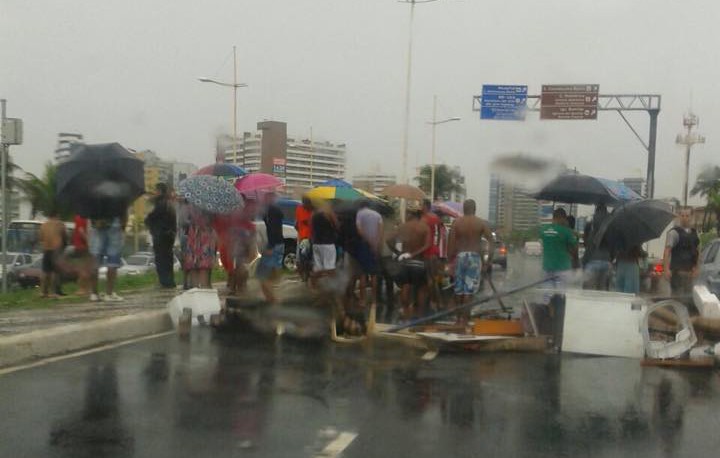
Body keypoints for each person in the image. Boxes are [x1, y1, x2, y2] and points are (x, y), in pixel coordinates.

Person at [447, 199, 493, 314]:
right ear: (475, 209)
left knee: (458, 290)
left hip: (460, 256)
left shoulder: (456, 223)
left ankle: (458, 319)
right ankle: (464, 319)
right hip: (474, 257)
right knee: (469, 290)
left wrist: (449, 263)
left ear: (463, 209)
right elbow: (491, 241)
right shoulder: (481, 223)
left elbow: (451, 245)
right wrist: (488, 261)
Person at [386, 208, 430, 316]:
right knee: (421, 288)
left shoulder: (402, 227)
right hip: (418, 262)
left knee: (405, 286)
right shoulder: (424, 227)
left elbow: (389, 240)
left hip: (404, 262)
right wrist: (414, 254)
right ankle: (419, 315)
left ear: (411, 215)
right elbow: (427, 245)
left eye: (407, 213)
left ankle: (406, 312)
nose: (405, 216)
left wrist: (398, 252)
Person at [663, 207, 700, 300]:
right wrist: (666, 269)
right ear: (679, 216)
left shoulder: (695, 233)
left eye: (687, 215)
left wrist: (696, 268)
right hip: (677, 273)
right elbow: (667, 251)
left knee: (688, 300)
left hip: (689, 274)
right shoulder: (674, 233)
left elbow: (698, 251)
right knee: (677, 299)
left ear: (691, 217)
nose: (684, 218)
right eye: (682, 215)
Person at [145, 183, 177, 288]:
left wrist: (148, 220)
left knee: (161, 259)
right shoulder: (169, 203)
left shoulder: (160, 204)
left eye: (156, 190)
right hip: (169, 235)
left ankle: (165, 281)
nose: (154, 192)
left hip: (161, 235)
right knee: (167, 258)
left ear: (160, 191)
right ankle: (169, 281)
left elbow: (151, 217)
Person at [89, 214, 127, 302]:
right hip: (115, 224)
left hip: (97, 224)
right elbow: (123, 209)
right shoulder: (117, 199)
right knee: (112, 261)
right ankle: (109, 294)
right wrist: (123, 226)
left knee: (95, 261)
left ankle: (94, 294)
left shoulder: (95, 199)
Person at [257, 193, 284, 303]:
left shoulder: (272, 212)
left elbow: (274, 230)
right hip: (277, 244)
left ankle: (273, 300)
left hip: (274, 244)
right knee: (267, 274)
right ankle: (270, 298)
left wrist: (271, 247)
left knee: (262, 274)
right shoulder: (271, 211)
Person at [539, 208, 577, 287]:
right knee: (560, 294)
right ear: (563, 218)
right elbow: (574, 248)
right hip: (562, 268)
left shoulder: (544, 229)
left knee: (547, 293)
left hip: (547, 267)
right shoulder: (567, 231)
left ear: (553, 217)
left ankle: (548, 299)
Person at [356, 200, 383, 308]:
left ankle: (363, 300)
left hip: (364, 245)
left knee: (362, 274)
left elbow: (359, 230)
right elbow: (381, 232)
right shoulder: (378, 215)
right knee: (374, 275)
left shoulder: (359, 213)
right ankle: (374, 301)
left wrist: (368, 241)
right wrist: (376, 244)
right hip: (375, 246)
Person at [182, 206, 216, 289]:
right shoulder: (211, 207)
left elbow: (184, 224)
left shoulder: (193, 207)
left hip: (200, 239)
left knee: (200, 266)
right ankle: (202, 289)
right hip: (199, 239)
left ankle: (199, 290)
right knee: (201, 267)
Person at [582, 204, 612, 290]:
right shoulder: (610, 226)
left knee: (587, 293)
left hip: (592, 261)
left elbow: (587, 244)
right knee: (602, 293)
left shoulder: (592, 225)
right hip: (607, 262)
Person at [38, 210, 66, 298]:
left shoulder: (43, 225)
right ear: (56, 215)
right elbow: (65, 237)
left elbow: (41, 238)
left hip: (46, 249)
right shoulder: (60, 224)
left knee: (45, 272)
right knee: (56, 272)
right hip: (56, 249)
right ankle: (54, 292)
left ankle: (43, 292)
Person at [421, 199, 443, 309]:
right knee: (434, 279)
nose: (420, 207)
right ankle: (438, 302)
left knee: (428, 279)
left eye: (421, 205)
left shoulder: (424, 219)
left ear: (425, 206)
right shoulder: (436, 218)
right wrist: (437, 246)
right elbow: (439, 234)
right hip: (435, 251)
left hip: (426, 251)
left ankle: (432, 302)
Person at [311, 201, 338, 282]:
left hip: (316, 243)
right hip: (327, 243)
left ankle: (313, 283)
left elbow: (311, 227)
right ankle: (334, 287)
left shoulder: (314, 213)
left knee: (318, 267)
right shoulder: (329, 213)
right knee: (330, 268)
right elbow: (337, 226)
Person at [71, 214, 92, 296]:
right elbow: (81, 231)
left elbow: (80, 231)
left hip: (81, 246)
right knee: (84, 268)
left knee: (83, 268)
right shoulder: (82, 217)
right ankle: (84, 288)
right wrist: (89, 242)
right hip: (82, 246)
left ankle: (84, 289)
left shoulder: (80, 217)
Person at [295, 197, 314, 282]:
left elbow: (297, 224)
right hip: (305, 237)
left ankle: (305, 276)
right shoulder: (303, 209)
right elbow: (305, 222)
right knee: (303, 258)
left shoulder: (301, 209)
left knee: (304, 258)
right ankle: (305, 276)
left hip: (306, 237)